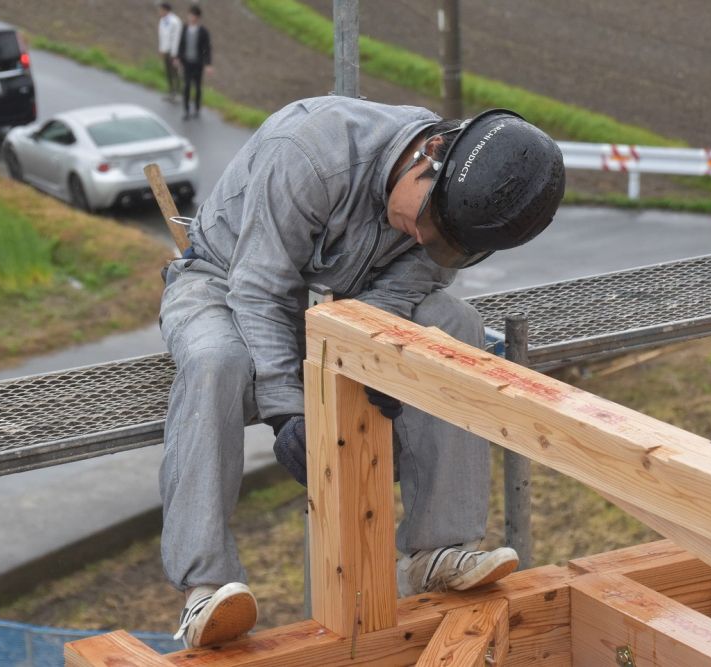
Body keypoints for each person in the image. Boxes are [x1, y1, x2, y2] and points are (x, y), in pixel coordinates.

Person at [158, 96, 566, 648]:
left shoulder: (453, 208)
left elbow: (405, 289)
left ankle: (440, 548)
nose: (424, 238)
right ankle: (203, 587)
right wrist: (287, 412)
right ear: (431, 152)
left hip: (337, 301)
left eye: (444, 240)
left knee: (455, 325)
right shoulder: (310, 152)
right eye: (427, 222)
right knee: (216, 362)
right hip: (222, 281)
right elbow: (258, 292)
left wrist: (376, 357)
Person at [174, 5, 211, 120]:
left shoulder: (203, 31)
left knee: (198, 87)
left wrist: (208, 64)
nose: (191, 17)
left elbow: (207, 48)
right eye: (190, 15)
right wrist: (177, 58)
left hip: (198, 64)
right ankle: (186, 110)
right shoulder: (184, 28)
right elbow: (181, 44)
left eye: (194, 15)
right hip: (187, 63)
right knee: (187, 86)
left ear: (198, 17)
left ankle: (197, 108)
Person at [157, 3, 183, 103]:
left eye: (161, 10)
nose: (159, 12)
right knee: (168, 72)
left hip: (173, 52)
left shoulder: (175, 21)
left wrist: (174, 54)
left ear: (165, 10)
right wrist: (161, 49)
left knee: (175, 72)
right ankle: (171, 92)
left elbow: (176, 38)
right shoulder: (162, 21)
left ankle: (178, 93)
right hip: (165, 50)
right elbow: (162, 37)